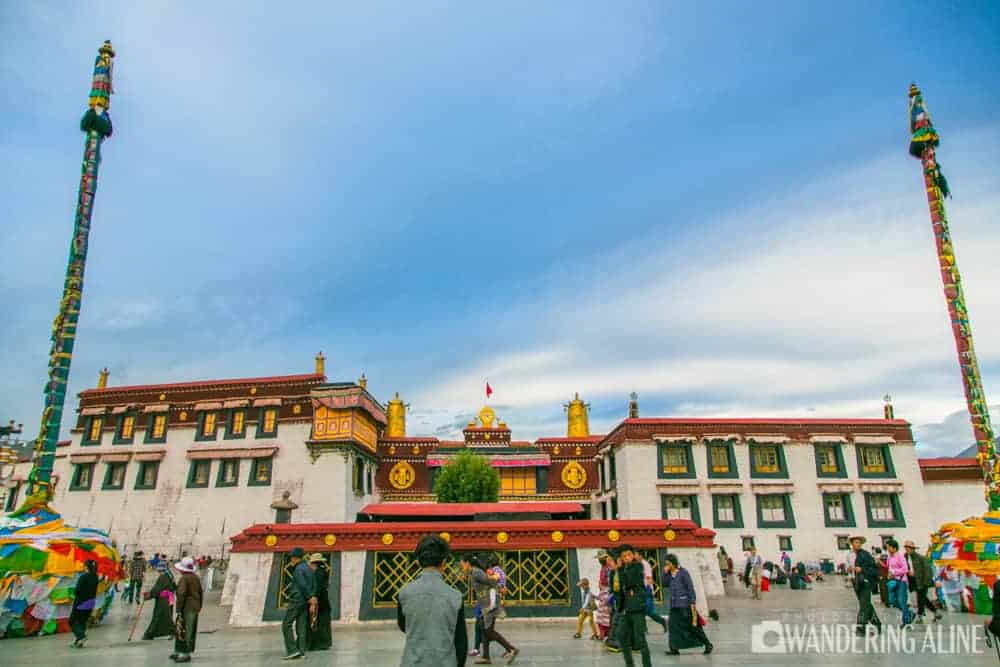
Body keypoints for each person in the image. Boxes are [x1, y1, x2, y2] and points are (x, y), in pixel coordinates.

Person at [397, 534, 467, 666]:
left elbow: (403, 625)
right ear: (444, 563)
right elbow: (461, 642)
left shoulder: (404, 593)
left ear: (418, 561)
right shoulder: (455, 597)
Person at [462, 553, 518, 665]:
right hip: (486, 604)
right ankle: (486, 657)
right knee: (484, 629)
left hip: (490, 605)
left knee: (488, 631)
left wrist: (495, 578)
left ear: (468, 563)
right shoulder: (474, 572)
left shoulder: (476, 572)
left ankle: (511, 649)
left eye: (462, 563)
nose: (462, 566)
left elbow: (490, 581)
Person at [662, 554, 712, 655]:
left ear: (673, 563)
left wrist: (692, 602)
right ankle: (674, 649)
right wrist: (665, 573)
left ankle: (707, 644)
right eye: (666, 564)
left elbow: (690, 588)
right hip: (674, 605)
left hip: (685, 605)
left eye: (668, 564)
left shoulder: (683, 573)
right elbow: (664, 584)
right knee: (673, 627)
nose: (667, 565)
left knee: (692, 627)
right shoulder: (669, 575)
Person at [611, 544, 650, 667]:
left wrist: (620, 569)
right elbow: (616, 589)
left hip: (637, 608)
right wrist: (616, 570)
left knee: (640, 639)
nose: (627, 557)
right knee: (622, 636)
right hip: (625, 609)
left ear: (633, 556)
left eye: (629, 555)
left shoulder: (637, 567)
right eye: (624, 556)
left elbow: (630, 582)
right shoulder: (622, 569)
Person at [282, 547, 317, 660]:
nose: (291, 560)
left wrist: (309, 597)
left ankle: (292, 650)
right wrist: (312, 597)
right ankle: (301, 651)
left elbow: (302, 585)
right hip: (305, 602)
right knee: (301, 625)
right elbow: (313, 584)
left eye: (291, 558)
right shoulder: (308, 568)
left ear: (295, 558)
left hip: (297, 599)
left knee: (286, 624)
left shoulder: (298, 569)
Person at [172, 556, 203, 663]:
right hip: (194, 607)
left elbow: (181, 594)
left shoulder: (184, 579)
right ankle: (180, 651)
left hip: (186, 607)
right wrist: (199, 606)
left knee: (183, 630)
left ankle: (184, 653)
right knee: (190, 629)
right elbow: (200, 593)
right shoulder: (196, 578)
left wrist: (178, 609)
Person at [850, 536, 882, 636]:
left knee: (864, 605)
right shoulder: (850, 555)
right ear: (852, 544)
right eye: (856, 542)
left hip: (866, 582)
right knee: (866, 604)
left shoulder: (866, 555)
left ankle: (861, 628)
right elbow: (850, 567)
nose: (858, 544)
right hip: (856, 582)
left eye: (859, 542)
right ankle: (877, 624)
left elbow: (874, 569)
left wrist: (862, 570)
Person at [903, 540, 940, 623]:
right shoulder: (904, 557)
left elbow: (927, 571)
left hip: (922, 581)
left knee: (920, 599)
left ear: (913, 549)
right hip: (912, 581)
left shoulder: (921, 558)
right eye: (906, 548)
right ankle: (935, 611)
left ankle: (920, 616)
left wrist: (926, 582)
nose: (908, 549)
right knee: (923, 599)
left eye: (910, 548)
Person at [142, 561, 176, 640]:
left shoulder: (163, 576)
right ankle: (151, 633)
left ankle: (150, 634)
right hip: (168, 598)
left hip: (163, 600)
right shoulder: (169, 575)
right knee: (165, 616)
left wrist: (149, 595)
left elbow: (157, 589)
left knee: (160, 616)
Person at [69, 560, 99, 648]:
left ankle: (82, 636)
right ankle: (79, 642)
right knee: (82, 621)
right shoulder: (95, 576)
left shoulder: (83, 577)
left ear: (86, 567)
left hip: (81, 602)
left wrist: (75, 594)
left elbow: (77, 590)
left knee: (72, 621)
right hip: (91, 602)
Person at [307, 553, 333, 650]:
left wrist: (313, 600)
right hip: (324, 601)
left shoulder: (318, 573)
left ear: (314, 563)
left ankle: (320, 644)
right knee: (324, 622)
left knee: (319, 622)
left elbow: (317, 588)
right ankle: (325, 643)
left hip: (320, 602)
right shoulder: (323, 571)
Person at [885, 539, 914, 627]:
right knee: (892, 600)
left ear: (894, 548)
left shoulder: (900, 557)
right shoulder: (889, 557)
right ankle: (909, 613)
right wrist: (889, 574)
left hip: (901, 581)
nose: (888, 549)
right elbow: (889, 567)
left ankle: (906, 621)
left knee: (902, 600)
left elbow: (905, 569)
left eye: (889, 547)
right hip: (892, 581)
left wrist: (893, 572)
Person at [638, 553, 667, 632]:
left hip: (647, 590)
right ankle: (644, 629)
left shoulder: (645, 564)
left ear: (640, 555)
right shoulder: (638, 564)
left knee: (649, 611)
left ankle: (662, 621)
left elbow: (649, 578)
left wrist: (649, 591)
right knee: (641, 610)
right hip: (641, 590)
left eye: (636, 554)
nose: (635, 556)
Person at [595, 551, 613, 641]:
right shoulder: (603, 567)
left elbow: (610, 583)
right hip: (603, 593)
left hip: (607, 593)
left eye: (601, 558)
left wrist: (603, 587)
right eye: (599, 559)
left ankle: (608, 634)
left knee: (606, 615)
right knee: (601, 615)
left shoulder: (608, 569)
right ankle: (602, 634)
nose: (600, 560)